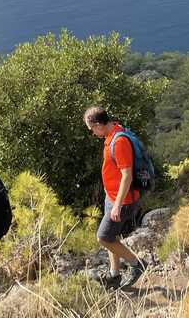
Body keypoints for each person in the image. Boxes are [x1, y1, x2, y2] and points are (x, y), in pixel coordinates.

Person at [83, 105, 146, 290]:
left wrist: (117, 205)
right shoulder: (113, 133)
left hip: (123, 200)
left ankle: (137, 264)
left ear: (98, 124)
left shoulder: (119, 142)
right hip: (112, 196)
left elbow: (127, 175)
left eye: (91, 129)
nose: (92, 133)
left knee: (103, 237)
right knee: (112, 235)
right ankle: (114, 275)